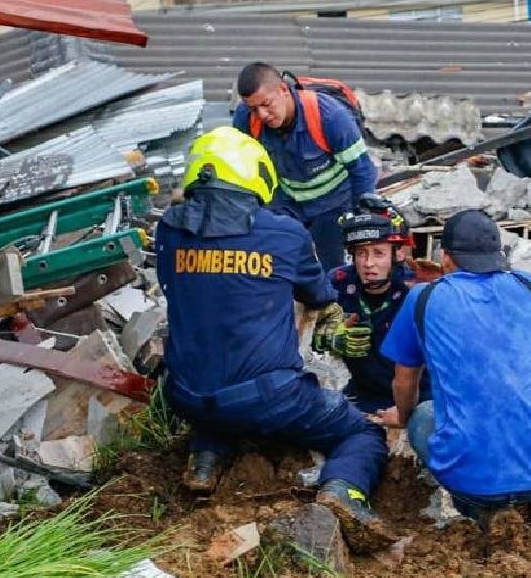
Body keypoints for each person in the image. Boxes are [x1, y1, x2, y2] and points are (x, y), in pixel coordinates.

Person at [155, 126, 395, 552]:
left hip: (186, 395)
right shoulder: (284, 234)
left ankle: (207, 457)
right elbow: (320, 295)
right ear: (255, 175)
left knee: (217, 383)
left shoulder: (169, 233)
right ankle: (344, 491)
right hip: (269, 400)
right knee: (361, 434)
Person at [372, 209, 531, 531]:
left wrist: (402, 414)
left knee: (422, 415)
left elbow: (404, 380)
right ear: (499, 254)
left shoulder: (423, 298)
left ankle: (483, 514)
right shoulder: (530, 287)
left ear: (447, 258)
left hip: (471, 481)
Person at [232, 62, 377, 270]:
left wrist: (361, 219)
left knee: (332, 270)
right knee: (277, 265)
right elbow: (242, 168)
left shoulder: (330, 117)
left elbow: (362, 171)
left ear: (283, 90)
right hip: (285, 203)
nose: (262, 115)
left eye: (266, 104)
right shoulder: (246, 119)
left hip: (333, 206)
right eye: (254, 108)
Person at [320, 194, 433, 413]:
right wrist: (330, 338)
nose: (369, 263)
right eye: (361, 253)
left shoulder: (418, 292)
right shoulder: (338, 282)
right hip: (360, 399)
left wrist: (406, 410)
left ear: (397, 253)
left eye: (379, 253)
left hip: (419, 401)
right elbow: (304, 330)